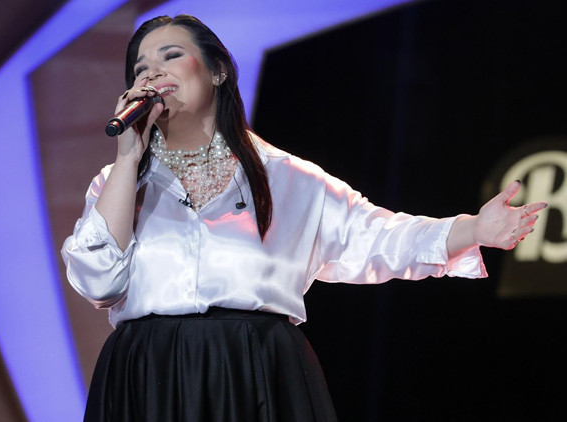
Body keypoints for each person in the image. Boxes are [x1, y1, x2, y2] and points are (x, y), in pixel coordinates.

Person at [61, 14, 547, 422]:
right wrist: (128, 160)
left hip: (256, 370)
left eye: (170, 56)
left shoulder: (286, 177)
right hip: (147, 375)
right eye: (140, 67)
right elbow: (97, 281)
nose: (151, 73)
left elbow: (376, 235)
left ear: (218, 71)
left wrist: (473, 229)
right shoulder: (119, 183)